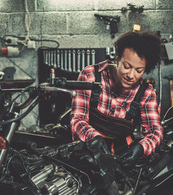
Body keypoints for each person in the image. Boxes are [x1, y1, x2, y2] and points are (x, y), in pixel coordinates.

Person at [70, 31, 163, 168]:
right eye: (127, 66)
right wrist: (94, 138)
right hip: (86, 151)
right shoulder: (91, 75)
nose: (131, 75)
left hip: (121, 156)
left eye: (139, 70)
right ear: (118, 59)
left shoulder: (146, 93)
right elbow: (77, 119)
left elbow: (155, 132)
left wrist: (141, 148)